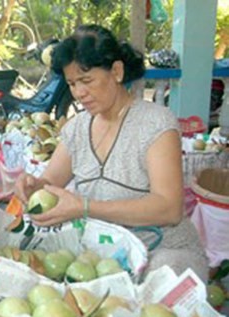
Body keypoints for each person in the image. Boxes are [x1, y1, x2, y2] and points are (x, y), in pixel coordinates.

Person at [14, 24, 208, 281]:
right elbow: (48, 183)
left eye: (86, 80)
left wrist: (84, 207)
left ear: (116, 71)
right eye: (72, 84)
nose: (79, 92)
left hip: (161, 249)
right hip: (105, 255)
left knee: (161, 281)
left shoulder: (156, 124)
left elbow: (169, 208)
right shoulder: (77, 129)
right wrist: (32, 186)